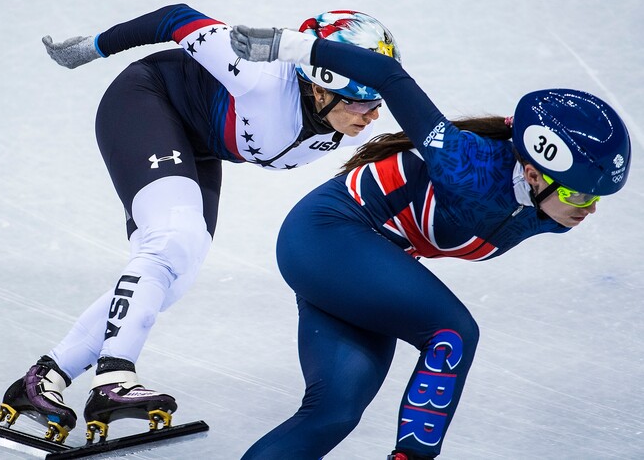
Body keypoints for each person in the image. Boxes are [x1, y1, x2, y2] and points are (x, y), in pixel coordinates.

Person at [0, 5, 402, 444]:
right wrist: (93, 48)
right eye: (362, 100)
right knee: (170, 242)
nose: (373, 114)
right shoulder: (258, 74)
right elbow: (176, 17)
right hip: (145, 100)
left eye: (378, 100)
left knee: (174, 274)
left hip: (198, 142)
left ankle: (43, 379)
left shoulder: (336, 121)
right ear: (319, 88)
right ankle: (113, 377)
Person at [229, 26, 631, 459]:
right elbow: (388, 76)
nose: (588, 210)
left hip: (356, 267)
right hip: (327, 236)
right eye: (579, 193)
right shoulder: (466, 163)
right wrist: (287, 46)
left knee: (334, 412)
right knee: (453, 331)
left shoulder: (554, 214)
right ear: (534, 173)